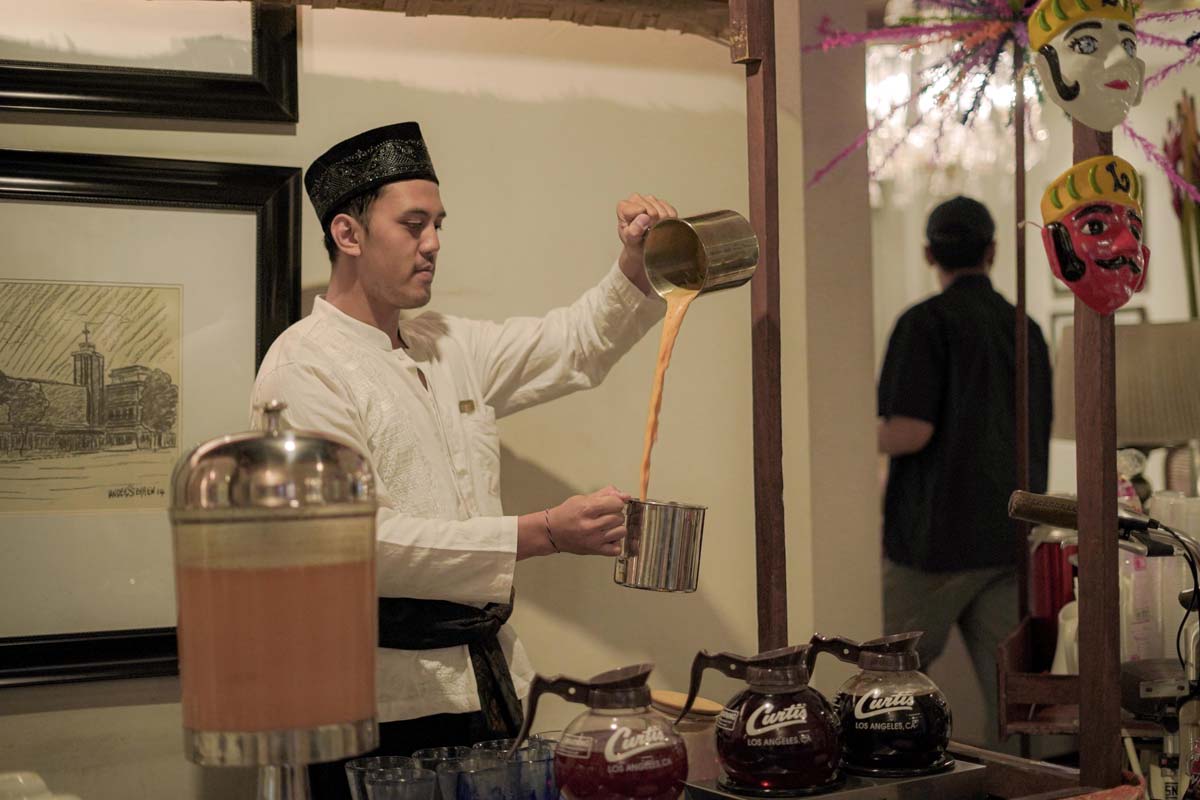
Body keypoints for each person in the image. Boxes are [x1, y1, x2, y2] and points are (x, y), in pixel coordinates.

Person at [249, 122, 674, 797]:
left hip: (483, 684)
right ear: (348, 234)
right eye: (413, 224)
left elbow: (575, 346)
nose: (434, 244)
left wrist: (635, 263)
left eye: (438, 224)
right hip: (372, 701)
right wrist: (543, 533)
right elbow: (350, 542)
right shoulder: (302, 368)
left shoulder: (445, 344)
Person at [876, 196, 1052, 747]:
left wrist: (848, 440)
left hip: (934, 542)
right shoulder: (1026, 329)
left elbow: (910, 431)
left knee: (885, 689)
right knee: (1015, 703)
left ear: (929, 254)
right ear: (992, 251)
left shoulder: (923, 324)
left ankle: (897, 782)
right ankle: (1023, 784)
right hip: (1010, 535)